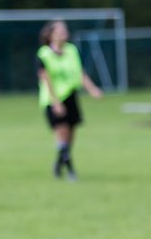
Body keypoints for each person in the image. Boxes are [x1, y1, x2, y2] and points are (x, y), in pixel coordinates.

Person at [36, 20, 103, 181]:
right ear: (51, 35)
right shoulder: (44, 53)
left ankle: (59, 164)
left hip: (71, 96)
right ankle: (71, 171)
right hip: (53, 99)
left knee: (70, 136)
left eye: (64, 31)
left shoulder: (72, 50)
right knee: (62, 132)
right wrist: (56, 102)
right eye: (59, 31)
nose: (63, 33)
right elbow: (46, 79)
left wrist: (92, 89)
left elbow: (80, 73)